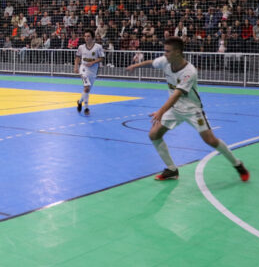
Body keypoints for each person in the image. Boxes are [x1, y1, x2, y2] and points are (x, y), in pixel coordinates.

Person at [126, 37, 250, 181]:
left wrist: (161, 111)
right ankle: (172, 169)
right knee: (154, 134)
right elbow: (151, 63)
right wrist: (136, 66)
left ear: (178, 52)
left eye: (168, 51)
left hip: (192, 110)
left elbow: (177, 95)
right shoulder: (165, 61)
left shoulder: (189, 71)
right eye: (164, 51)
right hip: (174, 109)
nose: (164, 54)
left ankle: (237, 164)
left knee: (210, 140)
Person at [74, 29, 105, 115]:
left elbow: (102, 58)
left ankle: (80, 102)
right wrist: (76, 67)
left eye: (88, 36)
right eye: (85, 36)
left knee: (87, 90)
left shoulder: (98, 47)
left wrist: (93, 62)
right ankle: (86, 108)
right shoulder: (81, 47)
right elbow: (77, 58)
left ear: (92, 37)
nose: (86, 38)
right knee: (86, 87)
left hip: (93, 70)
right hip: (83, 68)